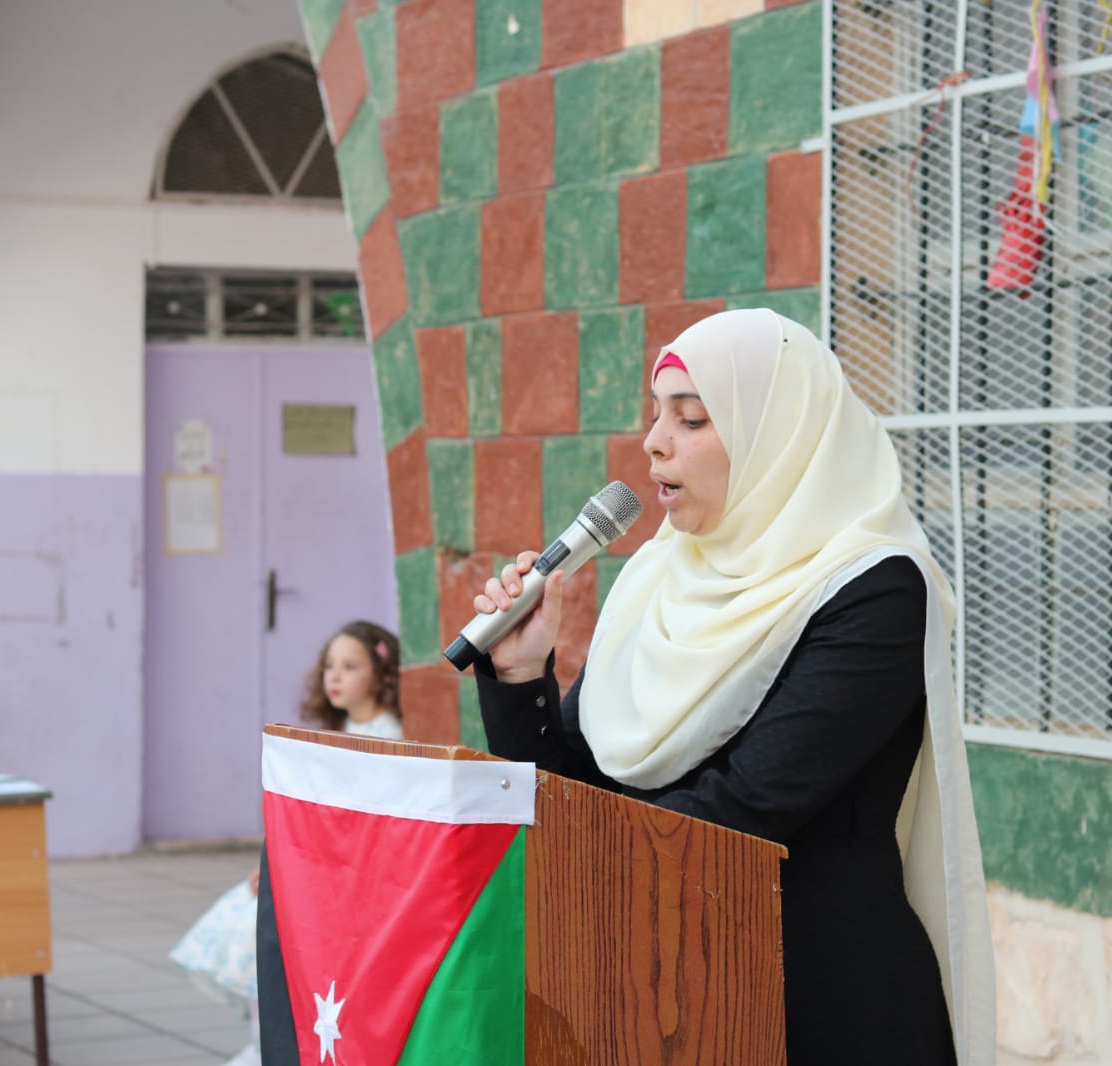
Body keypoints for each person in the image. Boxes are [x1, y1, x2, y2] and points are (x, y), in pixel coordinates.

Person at [471, 309, 994, 1066]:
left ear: (778, 437)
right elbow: (575, 792)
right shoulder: (658, 577)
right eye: (657, 415)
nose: (655, 441)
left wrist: (579, 857)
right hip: (656, 992)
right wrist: (522, 675)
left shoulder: (874, 588)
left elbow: (745, 806)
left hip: (814, 1004)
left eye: (690, 418)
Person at [172, 621, 404, 1066]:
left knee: (274, 934)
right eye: (329, 666)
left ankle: (272, 1041)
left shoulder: (387, 737)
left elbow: (359, 827)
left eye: (350, 666)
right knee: (249, 917)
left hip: (348, 875)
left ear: (382, 675)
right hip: (317, 864)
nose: (334, 677)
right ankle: (262, 1038)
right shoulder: (339, 730)